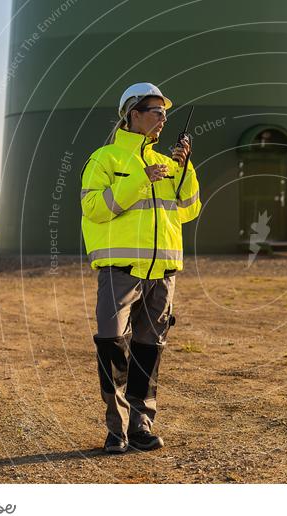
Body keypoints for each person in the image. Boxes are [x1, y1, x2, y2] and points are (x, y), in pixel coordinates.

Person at [80, 82, 201, 453]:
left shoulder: (167, 163)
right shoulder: (105, 159)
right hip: (120, 271)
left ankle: (141, 426)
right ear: (133, 114)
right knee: (113, 347)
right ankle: (116, 431)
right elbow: (94, 209)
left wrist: (185, 167)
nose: (163, 118)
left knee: (148, 351)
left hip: (163, 274)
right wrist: (138, 181)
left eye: (165, 113)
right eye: (156, 111)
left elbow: (189, 207)